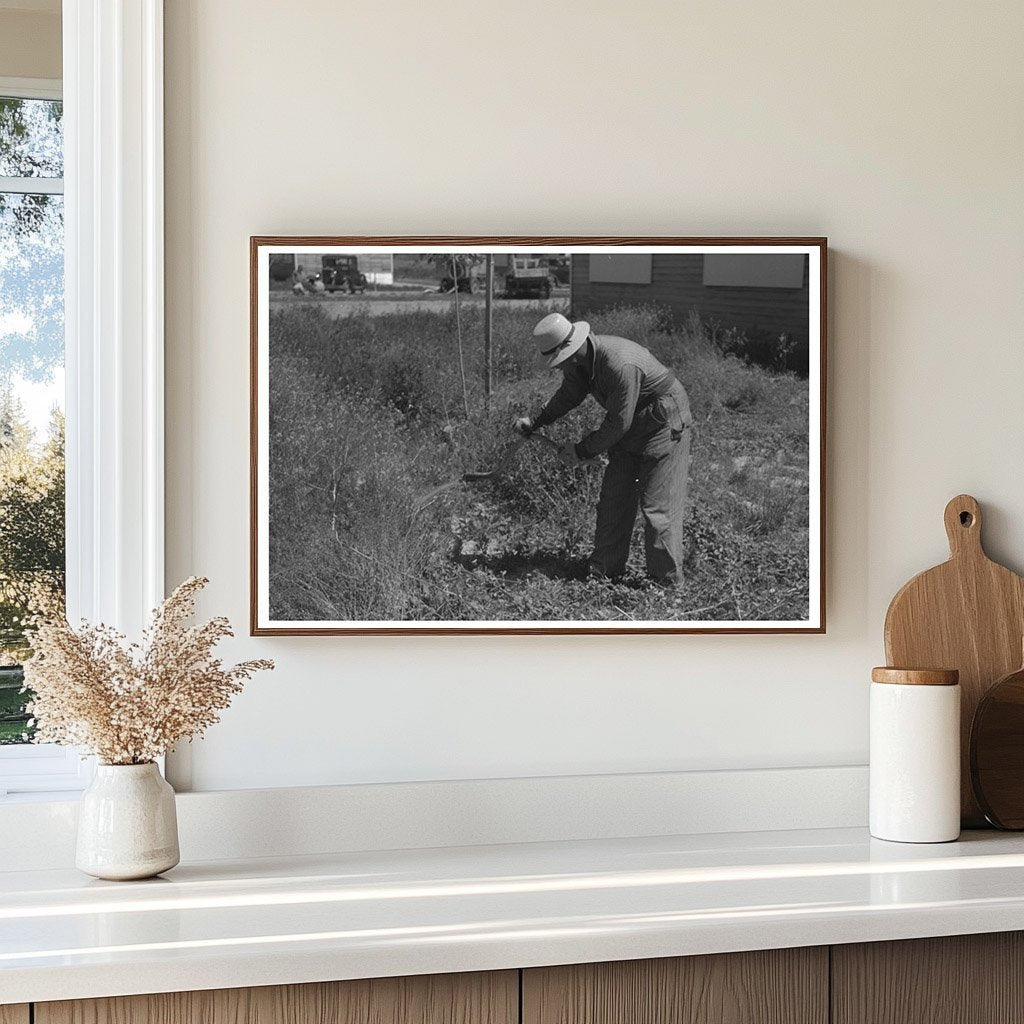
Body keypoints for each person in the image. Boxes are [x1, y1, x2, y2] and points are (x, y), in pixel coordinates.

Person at [515, 312, 692, 587]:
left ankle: (665, 585)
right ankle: (604, 574)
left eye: (559, 363)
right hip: (631, 425)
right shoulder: (582, 363)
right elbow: (568, 396)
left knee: (657, 508)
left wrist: (582, 450)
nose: (560, 368)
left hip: (663, 425)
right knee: (614, 499)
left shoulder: (619, 364)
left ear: (571, 352)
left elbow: (618, 423)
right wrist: (536, 421)